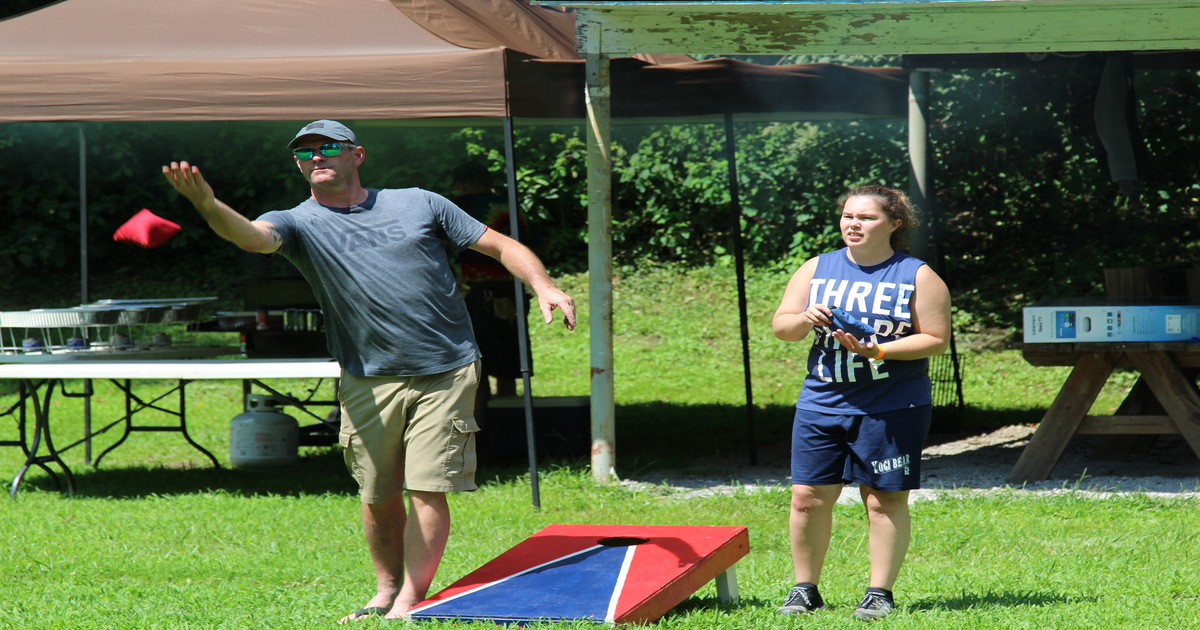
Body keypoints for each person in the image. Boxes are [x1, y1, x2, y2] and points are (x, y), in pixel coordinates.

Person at [161, 120, 576, 624]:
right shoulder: (296, 223)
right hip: (366, 374)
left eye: (329, 147)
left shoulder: (419, 202)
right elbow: (251, 237)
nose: (317, 157)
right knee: (377, 493)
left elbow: (500, 245)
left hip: (445, 365)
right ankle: (386, 589)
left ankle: (409, 601)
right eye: (305, 153)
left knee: (427, 485)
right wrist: (207, 205)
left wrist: (544, 285)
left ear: (357, 155)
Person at [770, 185, 951, 621]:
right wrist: (802, 318)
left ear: (894, 224)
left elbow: (936, 339)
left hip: (892, 406)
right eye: (848, 216)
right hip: (822, 401)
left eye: (866, 218)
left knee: (883, 499)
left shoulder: (917, 274)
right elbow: (783, 328)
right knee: (807, 497)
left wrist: (880, 352)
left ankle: (879, 593)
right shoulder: (817, 267)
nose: (854, 223)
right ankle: (804, 589)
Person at [449, 161, 532, 418]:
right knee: (509, 362)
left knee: (477, 362)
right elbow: (538, 245)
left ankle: (483, 426)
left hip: (474, 293)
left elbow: (439, 250)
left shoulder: (458, 208)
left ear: (461, 184)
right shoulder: (512, 208)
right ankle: (507, 423)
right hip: (512, 293)